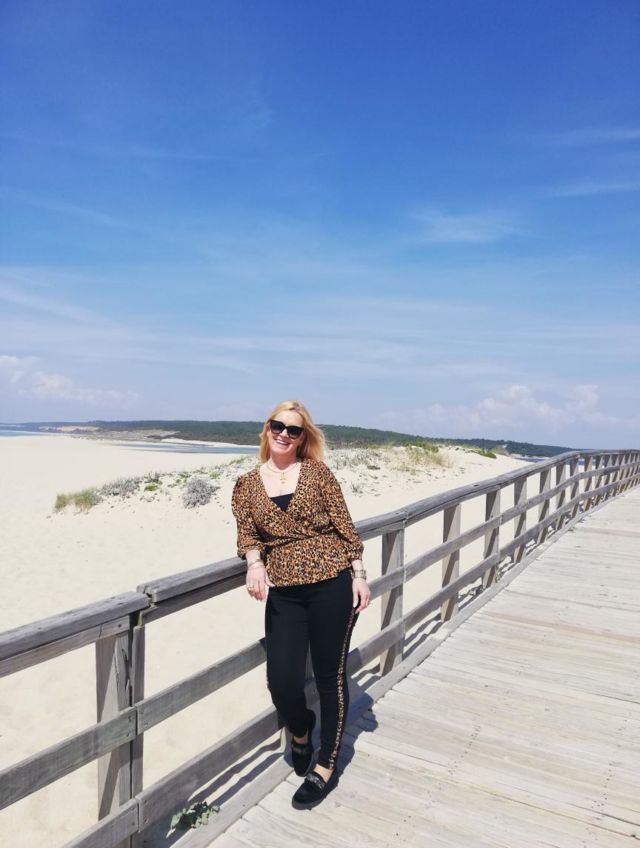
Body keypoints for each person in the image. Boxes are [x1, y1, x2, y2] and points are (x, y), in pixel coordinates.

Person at [231, 400, 370, 809]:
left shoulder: (317, 473)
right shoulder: (246, 484)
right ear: (267, 428)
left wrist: (359, 575)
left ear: (302, 437)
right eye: (279, 426)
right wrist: (254, 563)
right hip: (285, 591)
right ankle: (301, 728)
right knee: (282, 680)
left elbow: (345, 528)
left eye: (294, 430)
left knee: (330, 676)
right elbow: (247, 535)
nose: (284, 435)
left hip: (332, 583)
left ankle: (326, 764)